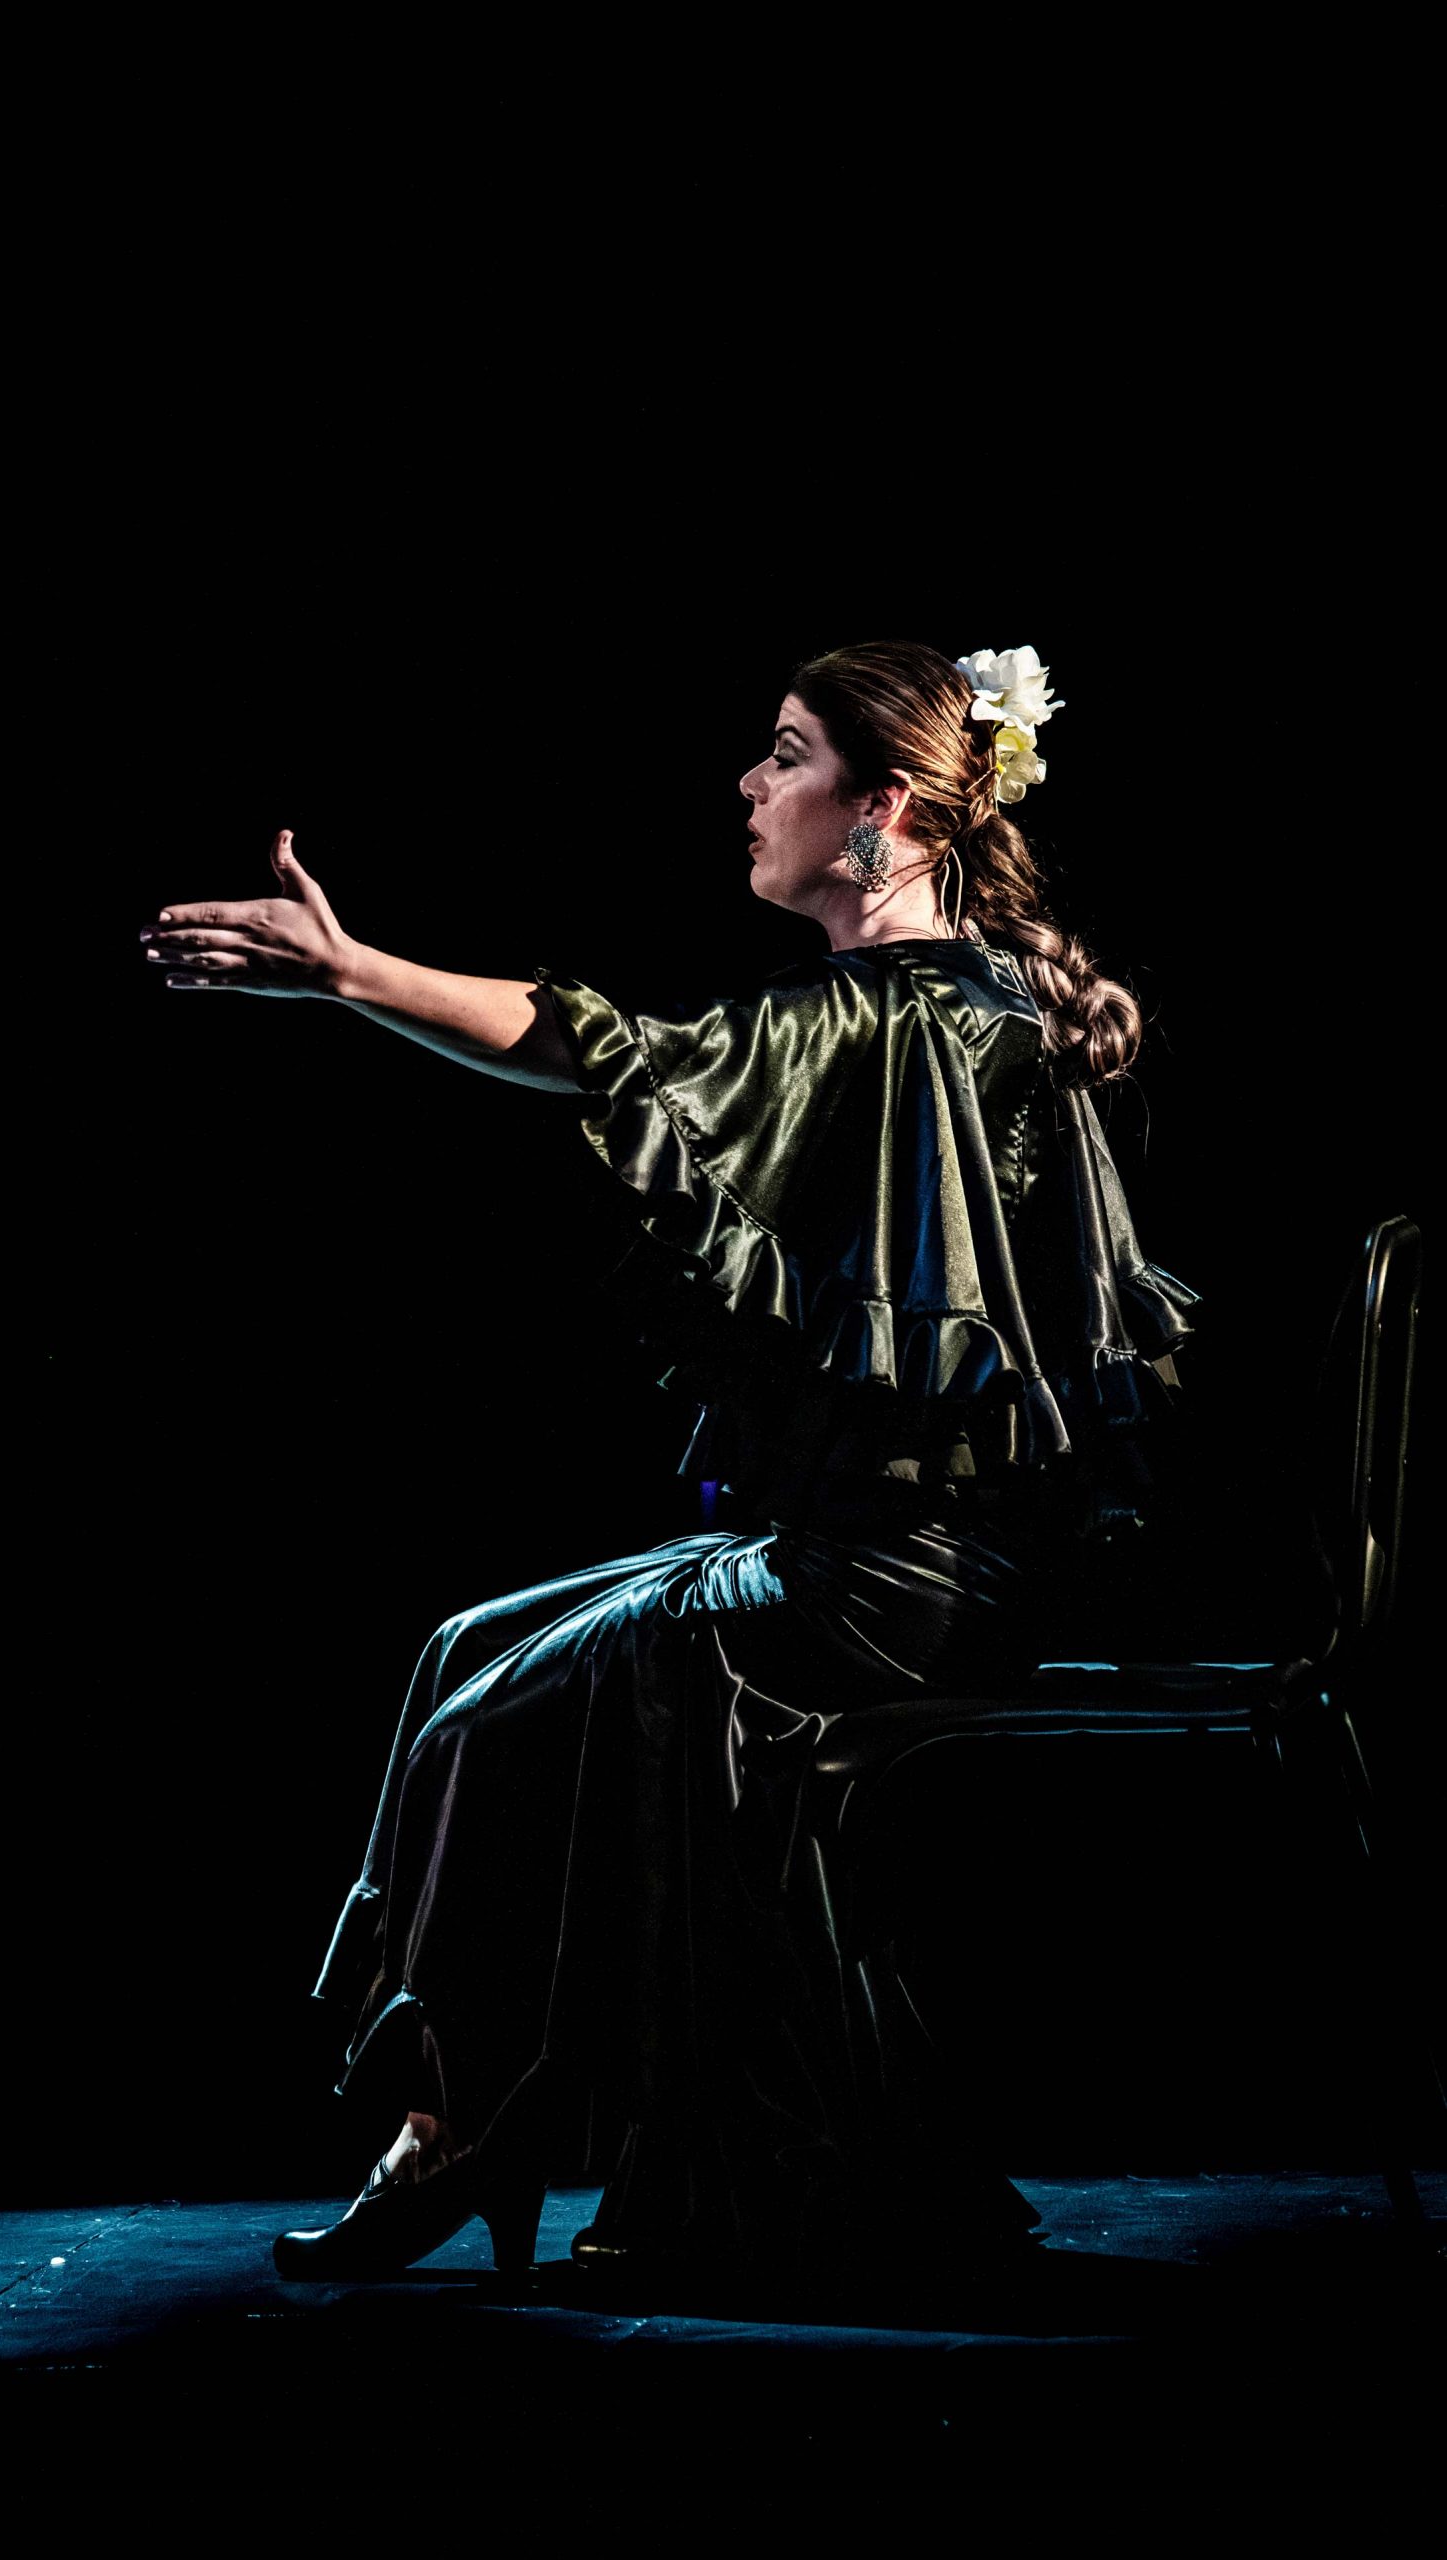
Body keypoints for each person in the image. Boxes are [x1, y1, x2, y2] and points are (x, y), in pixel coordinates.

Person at [140, 639, 1196, 2282]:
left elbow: (607, 1056)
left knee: (508, 1710)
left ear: (883, 807)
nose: (750, 784)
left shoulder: (877, 1017)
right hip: (922, 1559)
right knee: (469, 1647)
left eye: (786, 753)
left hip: (893, 1584)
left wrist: (354, 974)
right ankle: (462, 2119)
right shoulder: (993, 998)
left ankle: (463, 2123)